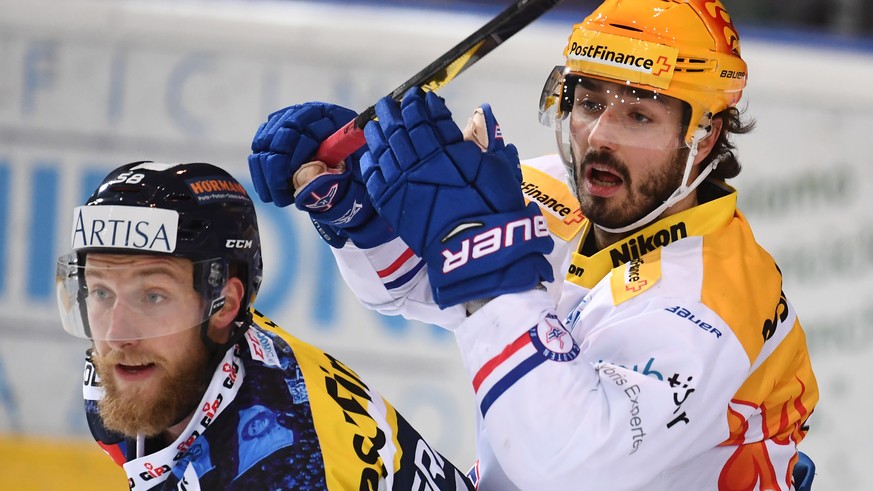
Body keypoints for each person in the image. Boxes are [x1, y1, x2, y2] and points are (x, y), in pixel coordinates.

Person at [247, 0, 819, 489]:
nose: (599, 137)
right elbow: (410, 288)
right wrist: (359, 209)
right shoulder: (555, 191)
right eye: (591, 103)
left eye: (639, 116)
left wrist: (482, 256)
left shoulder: (715, 302)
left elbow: (561, 465)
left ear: (705, 134)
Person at [55, 161, 475, 490]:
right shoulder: (133, 374)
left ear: (225, 304)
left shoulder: (282, 468)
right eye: (102, 292)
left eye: (153, 296)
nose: (116, 335)